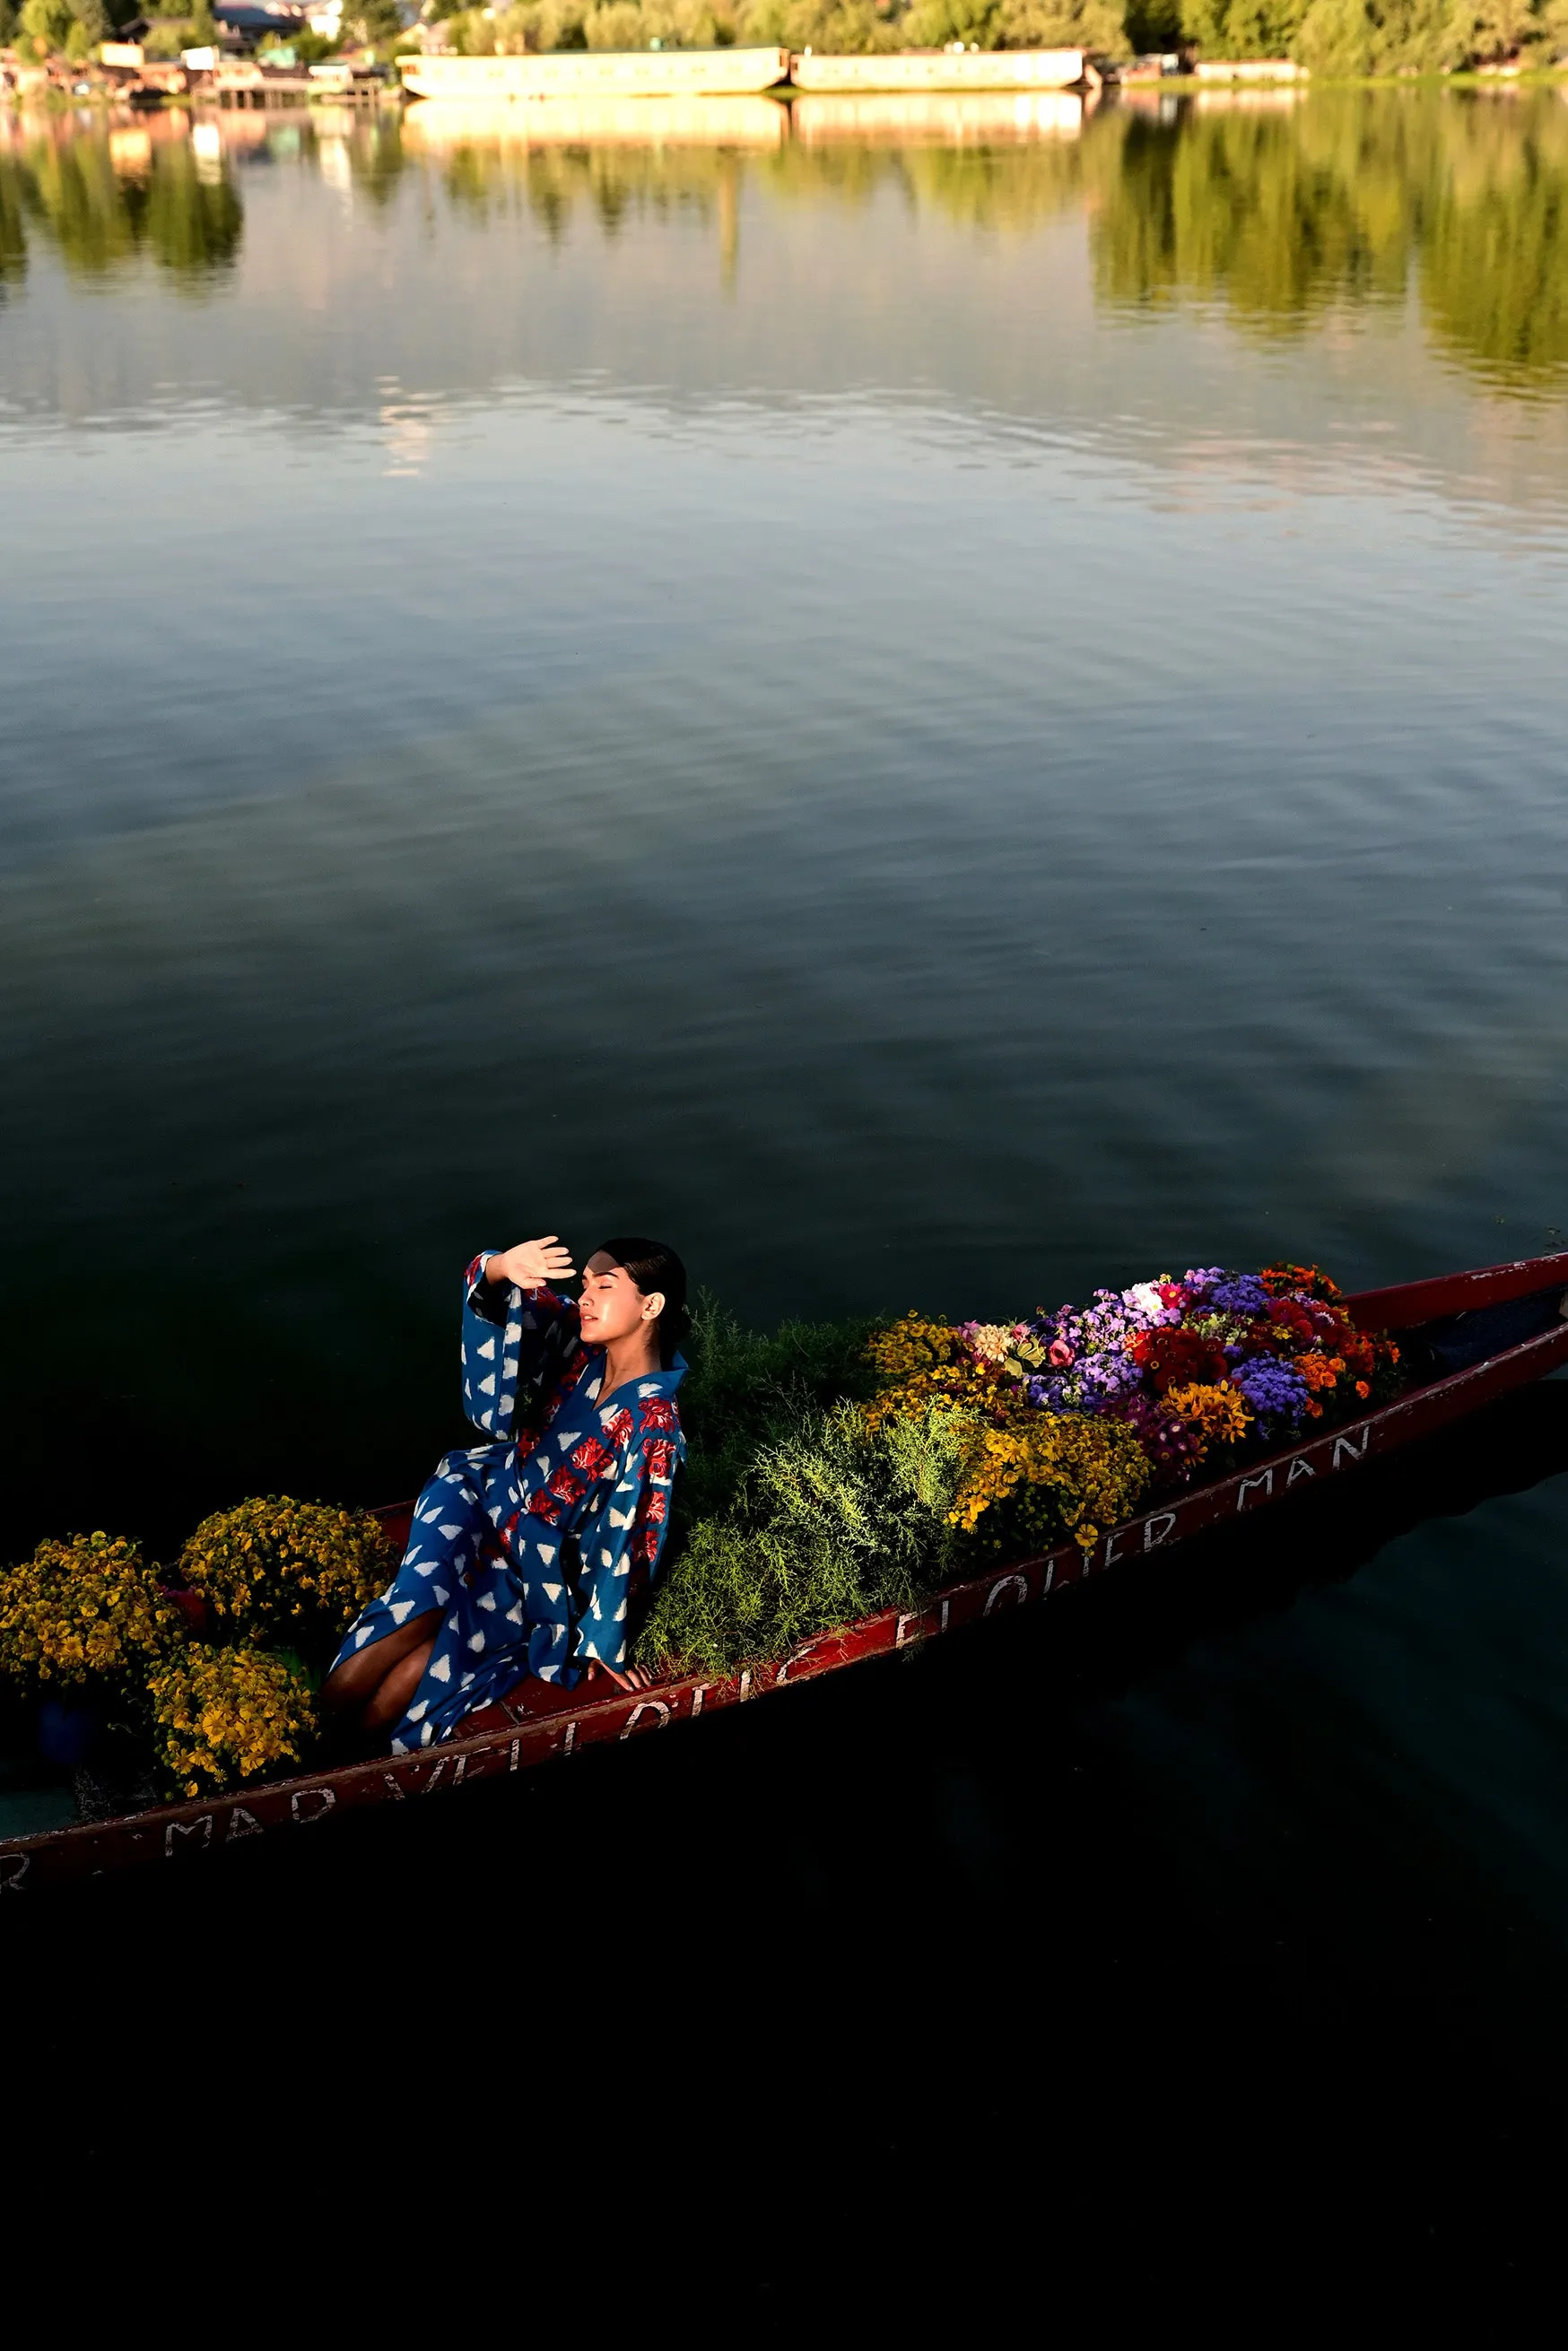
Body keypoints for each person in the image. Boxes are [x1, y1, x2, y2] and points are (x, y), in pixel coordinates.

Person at [323, 1234, 687, 1752]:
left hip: (529, 1565)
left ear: (651, 1305)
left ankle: (335, 1761)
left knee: (425, 1664)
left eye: (603, 1287)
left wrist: (603, 1637)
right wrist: (499, 1267)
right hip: (481, 1491)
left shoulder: (652, 1422)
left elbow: (629, 1530)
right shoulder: (581, 1341)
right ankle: (305, 1735)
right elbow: (504, 1303)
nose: (583, 1298)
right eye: (583, 1284)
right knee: (418, 1608)